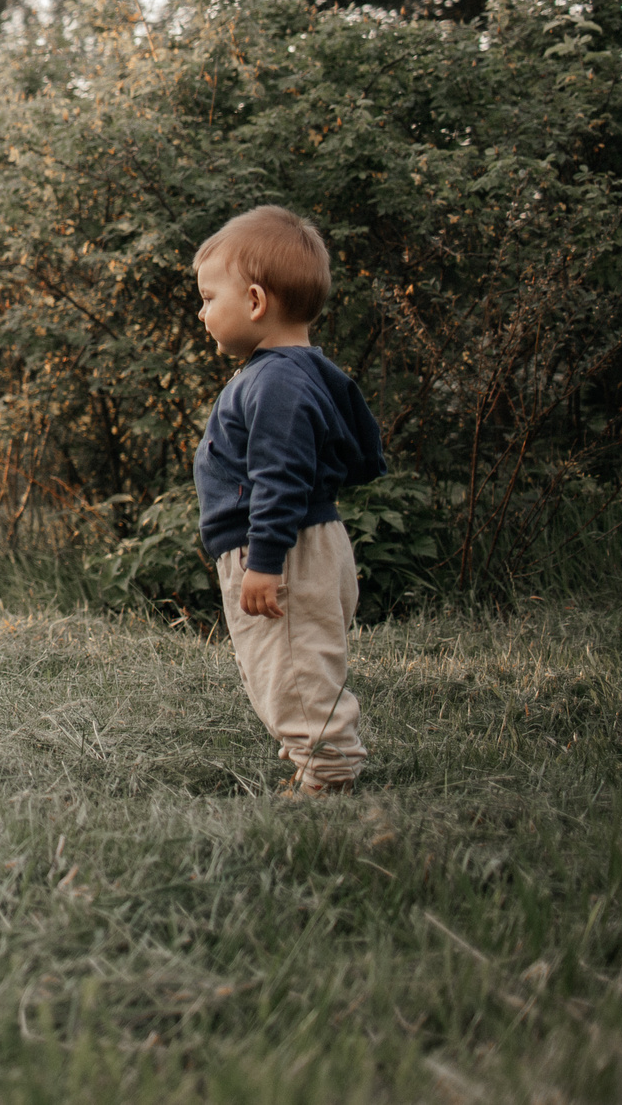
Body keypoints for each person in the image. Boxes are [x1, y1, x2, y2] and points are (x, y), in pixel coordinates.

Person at [192, 205, 385, 798]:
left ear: (254, 302)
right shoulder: (302, 371)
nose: (202, 313)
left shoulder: (274, 380)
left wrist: (266, 560)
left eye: (207, 297)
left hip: (286, 551)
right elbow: (354, 453)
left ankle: (327, 778)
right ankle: (314, 761)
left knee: (295, 668)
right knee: (292, 665)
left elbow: (280, 476)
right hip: (308, 542)